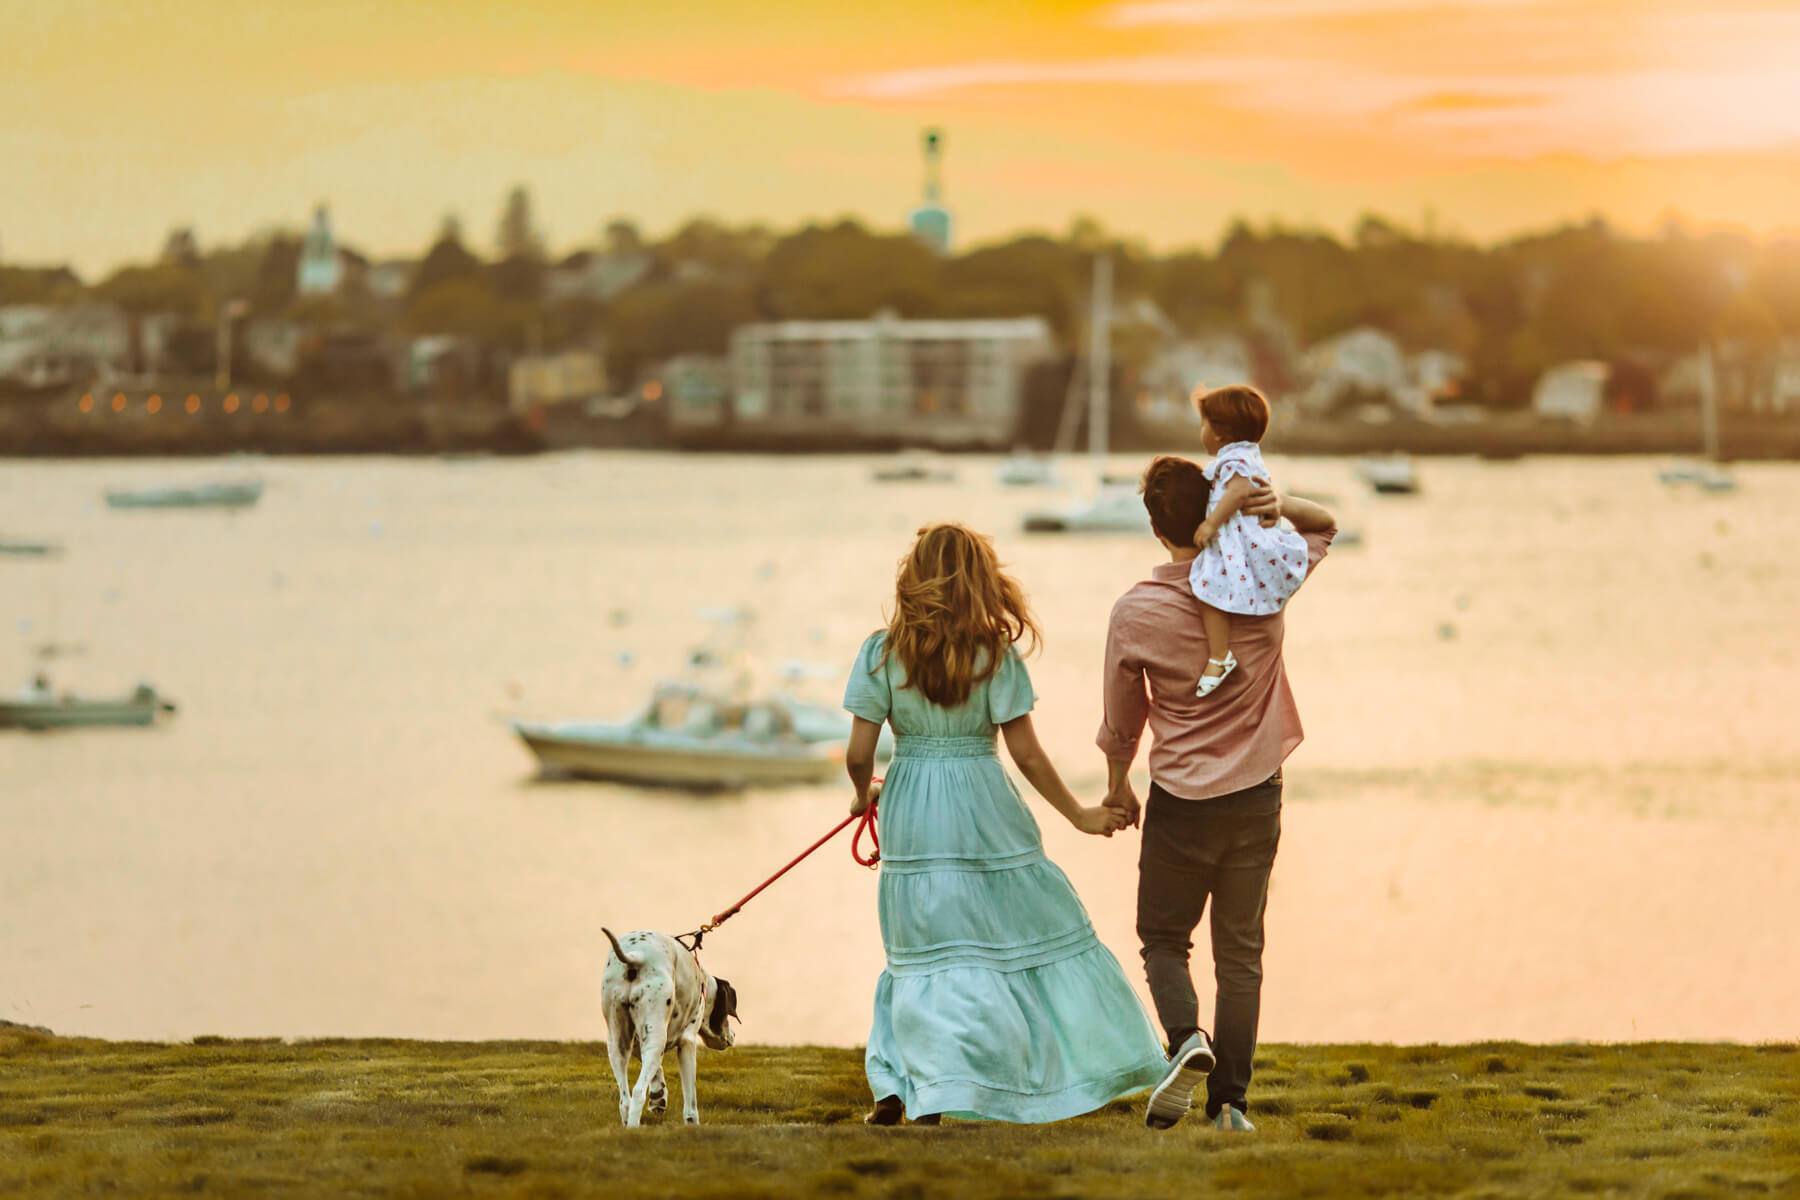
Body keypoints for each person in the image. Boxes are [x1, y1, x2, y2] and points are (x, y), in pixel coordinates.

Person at [843, 523, 1167, 1126]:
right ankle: (1016, 1070)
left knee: (921, 948)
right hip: (984, 802)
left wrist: (865, 796)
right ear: (979, 581)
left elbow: (859, 753)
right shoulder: (994, 655)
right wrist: (1079, 815)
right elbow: (1027, 755)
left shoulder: (880, 653)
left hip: (913, 801)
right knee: (1010, 939)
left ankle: (906, 1087)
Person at [1097, 456, 1337, 1133]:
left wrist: (1118, 789)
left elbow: (1123, 720)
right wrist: (1268, 502)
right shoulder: (1261, 589)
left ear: (1153, 526)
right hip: (1257, 796)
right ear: (1207, 510)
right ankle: (1230, 1104)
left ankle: (1186, 1040)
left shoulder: (1136, 610)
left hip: (1178, 799)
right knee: (1241, 954)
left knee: (1164, 940)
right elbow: (1324, 528)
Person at [1187, 384, 1311, 696]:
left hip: (1240, 541)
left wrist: (1210, 523)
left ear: (1219, 432)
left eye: (1203, 424)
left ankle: (1220, 655)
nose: (1200, 432)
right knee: (1217, 587)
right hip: (1245, 538)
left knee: (1207, 587)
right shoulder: (1243, 456)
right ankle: (1223, 654)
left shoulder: (1234, 462)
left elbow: (1239, 492)